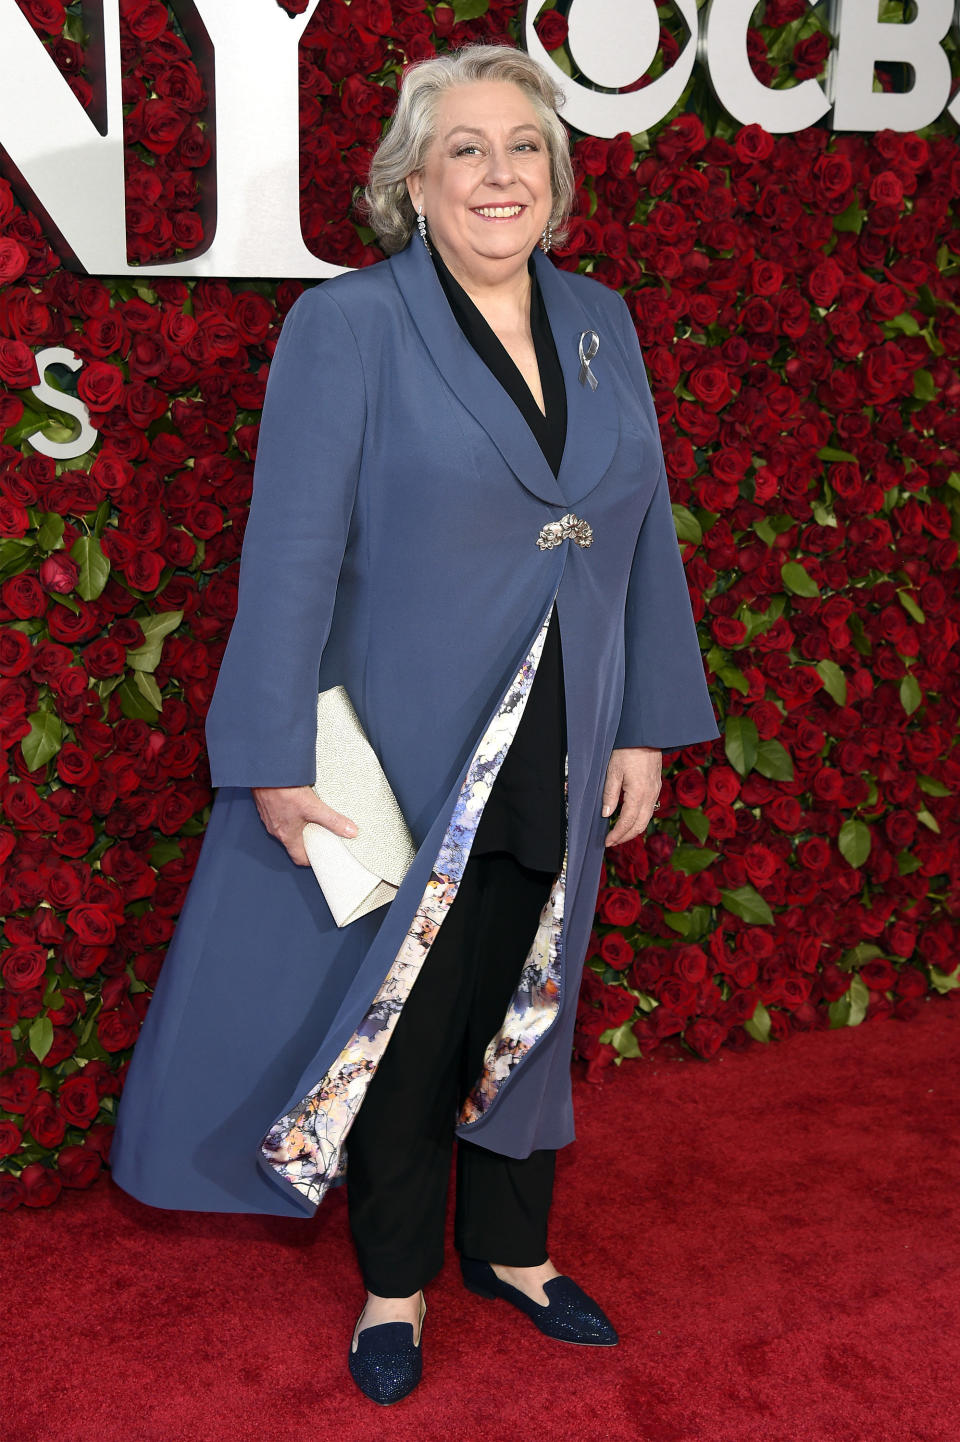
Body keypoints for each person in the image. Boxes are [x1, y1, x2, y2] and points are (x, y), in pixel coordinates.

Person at [109, 42, 719, 1406]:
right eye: (468, 149)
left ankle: (514, 1249)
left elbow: (641, 537)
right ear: (412, 181)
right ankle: (396, 1281)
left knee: (533, 995)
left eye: (526, 148)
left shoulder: (602, 319)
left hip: (570, 721)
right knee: (406, 1009)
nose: (501, 174)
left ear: (559, 177)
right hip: (409, 746)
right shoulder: (353, 326)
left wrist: (649, 725)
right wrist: (269, 753)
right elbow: (291, 556)